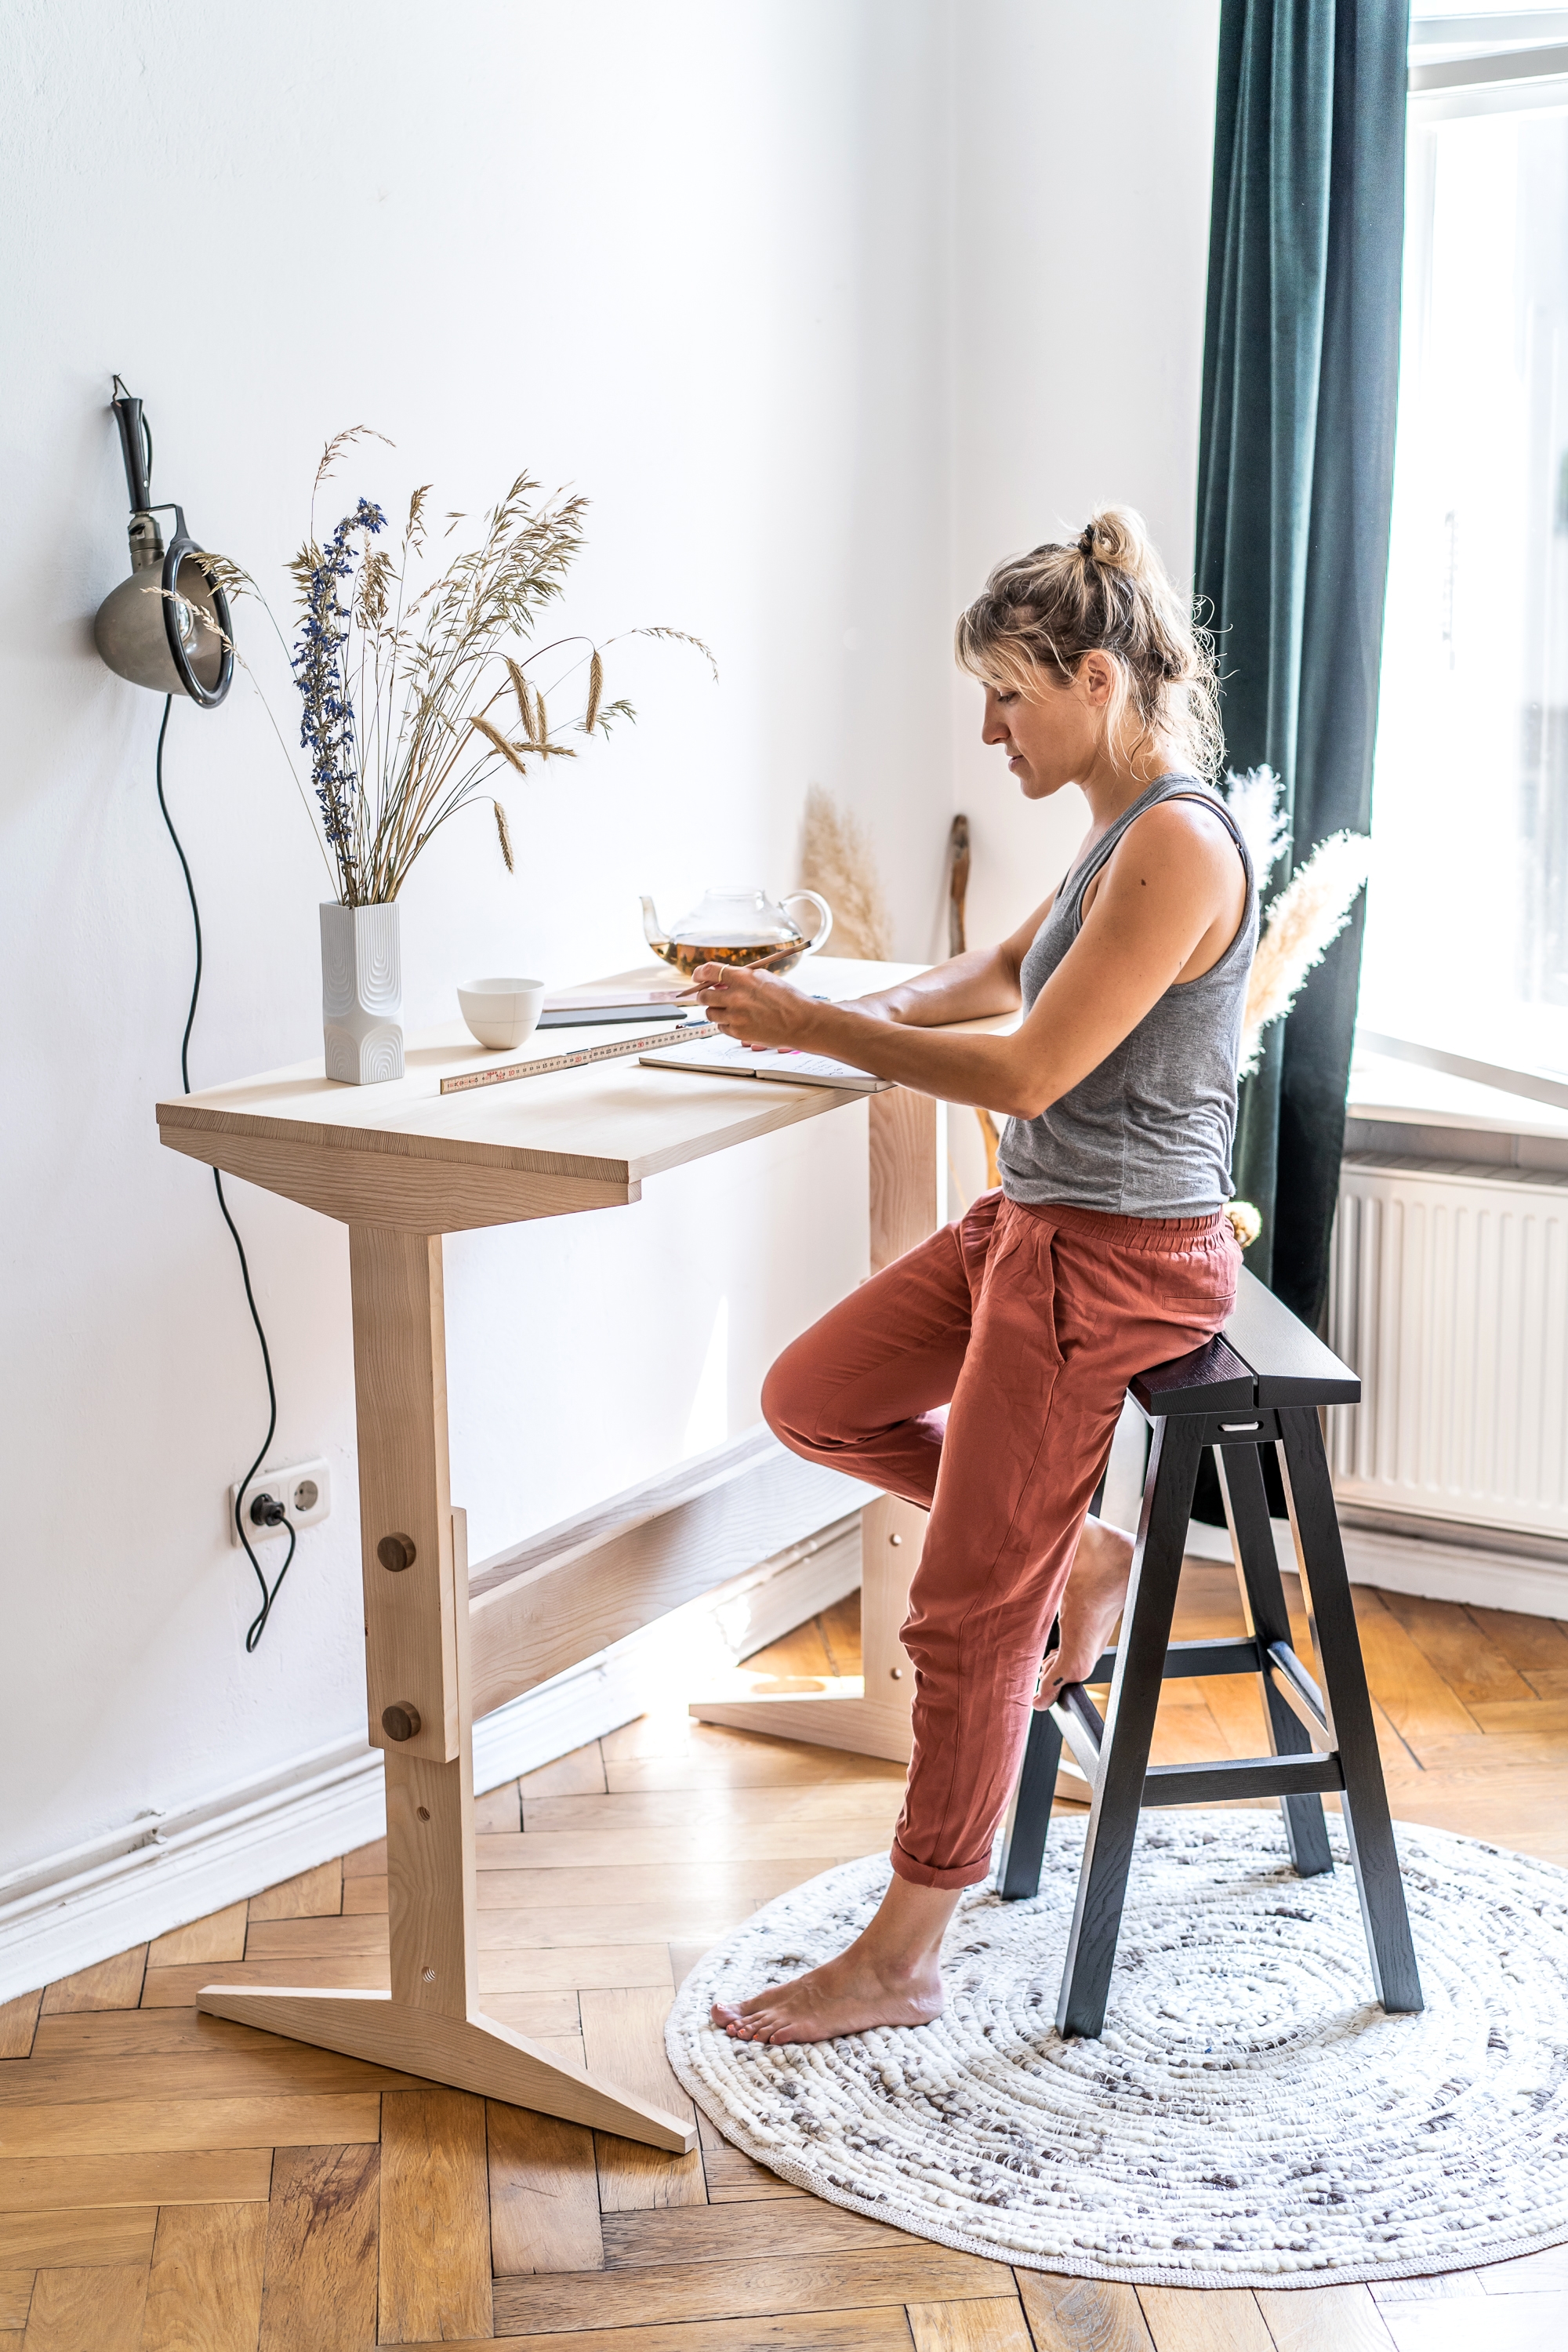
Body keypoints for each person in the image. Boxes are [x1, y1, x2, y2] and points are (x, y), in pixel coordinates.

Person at [690, 507, 1255, 2046]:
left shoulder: (1181, 844)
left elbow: (1022, 1061)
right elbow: (993, 978)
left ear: (1092, 677)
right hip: (1039, 1227)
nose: (987, 729)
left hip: (1118, 1262)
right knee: (814, 1396)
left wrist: (813, 1031)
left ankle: (903, 1952)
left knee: (956, 1616)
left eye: (1008, 697)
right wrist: (828, 995)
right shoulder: (1117, 827)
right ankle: (1059, 1547)